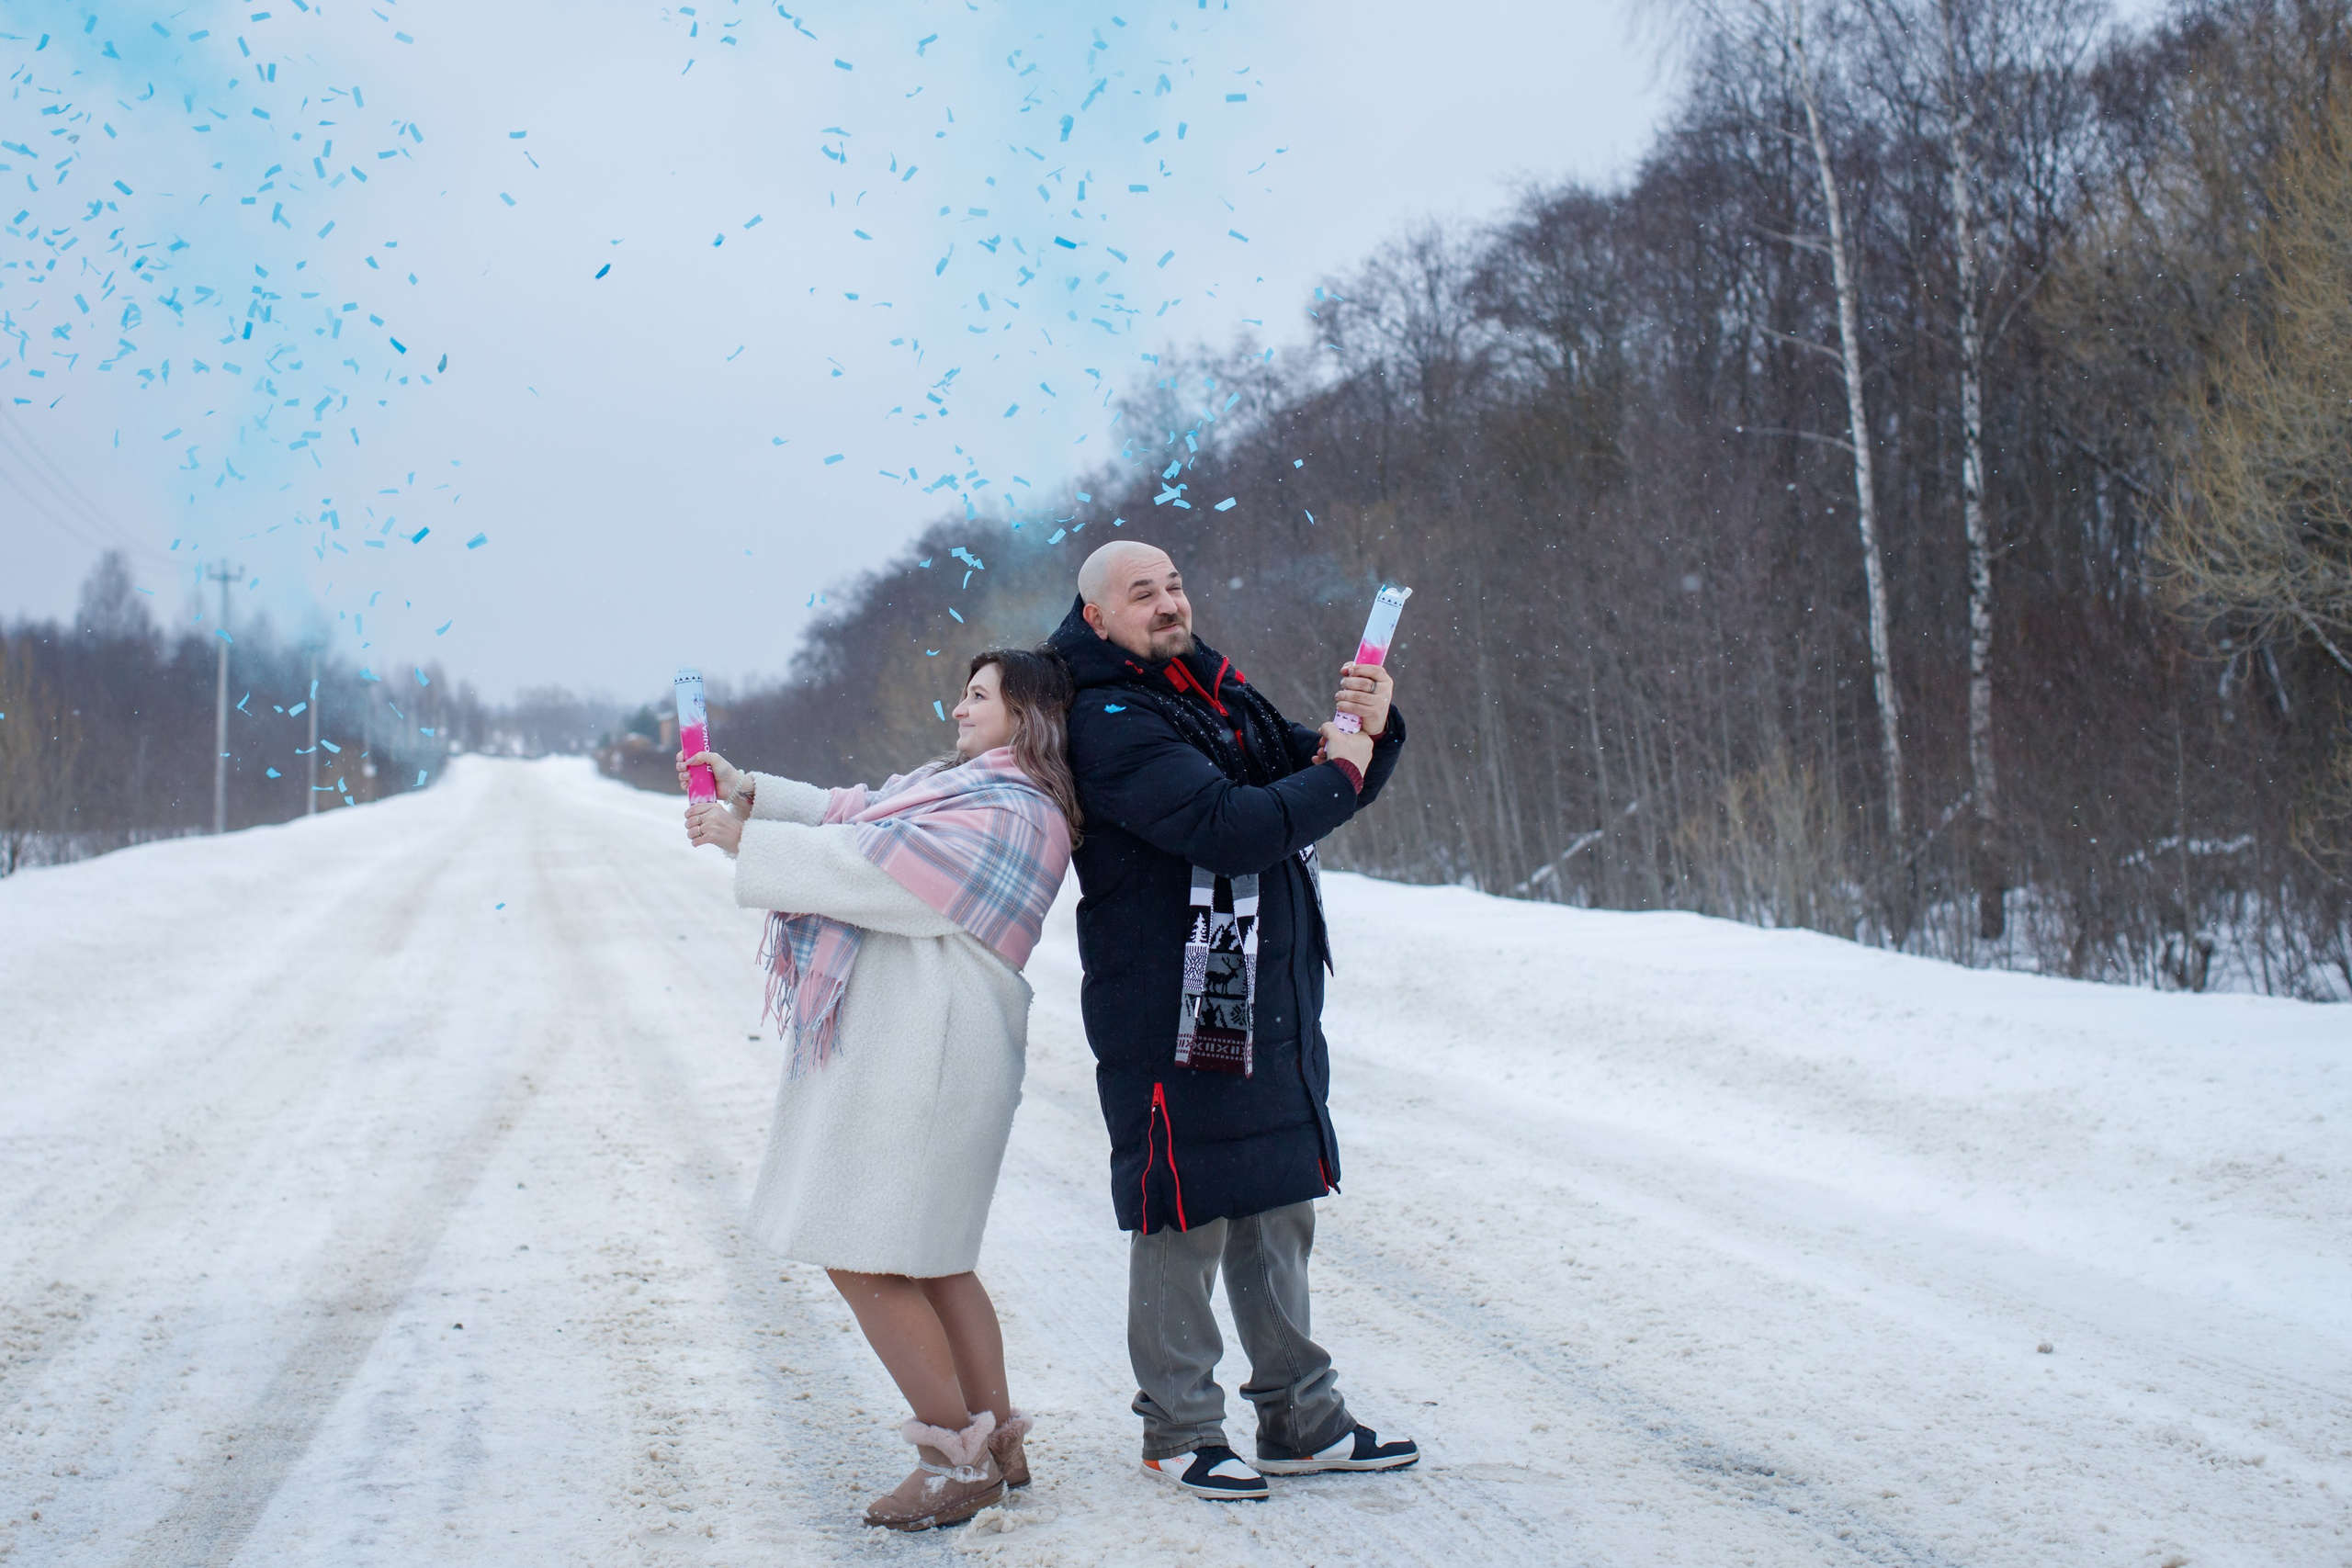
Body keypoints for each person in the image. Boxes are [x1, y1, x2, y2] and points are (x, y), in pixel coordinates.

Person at [1046, 540, 1419, 1502]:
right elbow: (1232, 823)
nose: (1169, 602)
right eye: (1143, 593)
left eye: (1173, 584)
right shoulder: (1109, 719)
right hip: (1168, 1004)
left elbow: (1312, 775)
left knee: (1276, 1199)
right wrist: (1338, 771)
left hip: (1263, 993)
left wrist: (1370, 731)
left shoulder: (1209, 689)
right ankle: (1179, 1429)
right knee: (1185, 1209)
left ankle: (1300, 1417)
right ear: (1095, 617)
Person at [678, 649, 1077, 1532]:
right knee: (934, 1256)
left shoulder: (1017, 810)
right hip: (921, 1050)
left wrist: (746, 838)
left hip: (927, 1058)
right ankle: (997, 1446)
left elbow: (879, 870)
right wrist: (746, 791)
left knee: (859, 1247)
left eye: (979, 696)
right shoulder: (961, 787)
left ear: (1030, 714)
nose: (959, 707)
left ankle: (951, 1458)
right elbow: (856, 813)